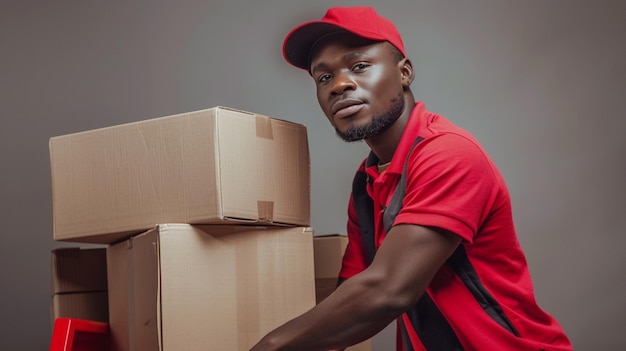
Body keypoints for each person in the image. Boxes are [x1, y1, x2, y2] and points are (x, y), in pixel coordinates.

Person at [250, 6, 573, 351]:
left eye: (359, 66)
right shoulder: (368, 182)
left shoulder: (448, 153)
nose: (338, 85)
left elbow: (388, 290)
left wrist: (270, 346)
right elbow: (351, 299)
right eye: (323, 77)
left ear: (404, 73)